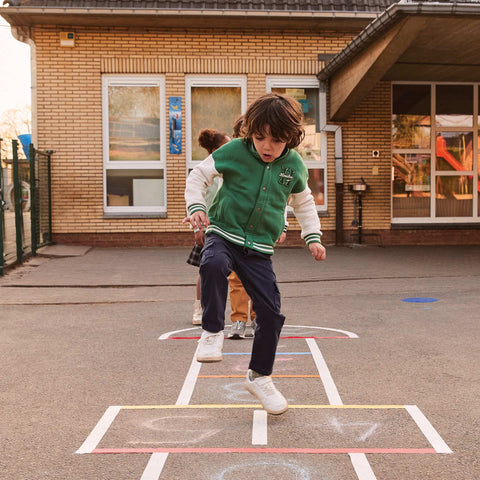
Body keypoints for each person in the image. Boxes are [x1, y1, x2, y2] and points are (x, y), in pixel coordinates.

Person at [185, 93, 326, 415]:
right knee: (213, 264)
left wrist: (312, 237)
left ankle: (260, 377)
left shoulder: (293, 165)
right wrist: (196, 207)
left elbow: (303, 203)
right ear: (249, 131)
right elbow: (198, 176)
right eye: (260, 137)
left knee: (271, 313)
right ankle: (211, 331)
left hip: (259, 248)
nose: (266, 146)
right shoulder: (233, 151)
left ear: (290, 138)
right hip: (222, 231)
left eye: (276, 141)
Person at [186, 128, 230, 325]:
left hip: (228, 227)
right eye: (226, 145)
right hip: (208, 227)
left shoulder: (225, 172)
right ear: (215, 150)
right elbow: (195, 201)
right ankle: (199, 308)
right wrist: (197, 229)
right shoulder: (207, 173)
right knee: (205, 270)